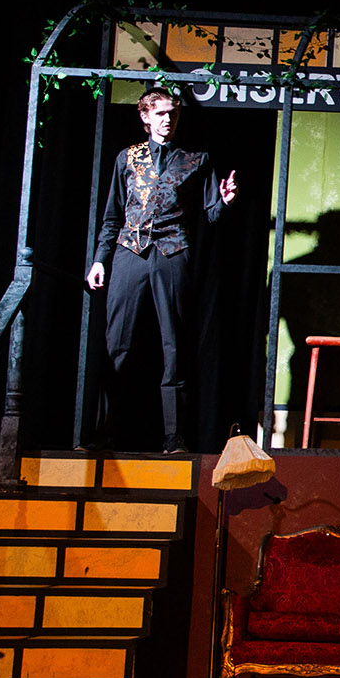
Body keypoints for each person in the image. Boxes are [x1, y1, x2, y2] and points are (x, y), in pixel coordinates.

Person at [87, 87, 239, 451]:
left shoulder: (195, 160)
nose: (168, 119)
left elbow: (211, 214)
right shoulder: (127, 158)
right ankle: (104, 432)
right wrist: (100, 259)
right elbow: (112, 216)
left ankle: (174, 436)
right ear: (145, 116)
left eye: (173, 113)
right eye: (160, 113)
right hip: (130, 253)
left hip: (172, 254)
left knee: (174, 346)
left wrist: (225, 202)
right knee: (117, 344)